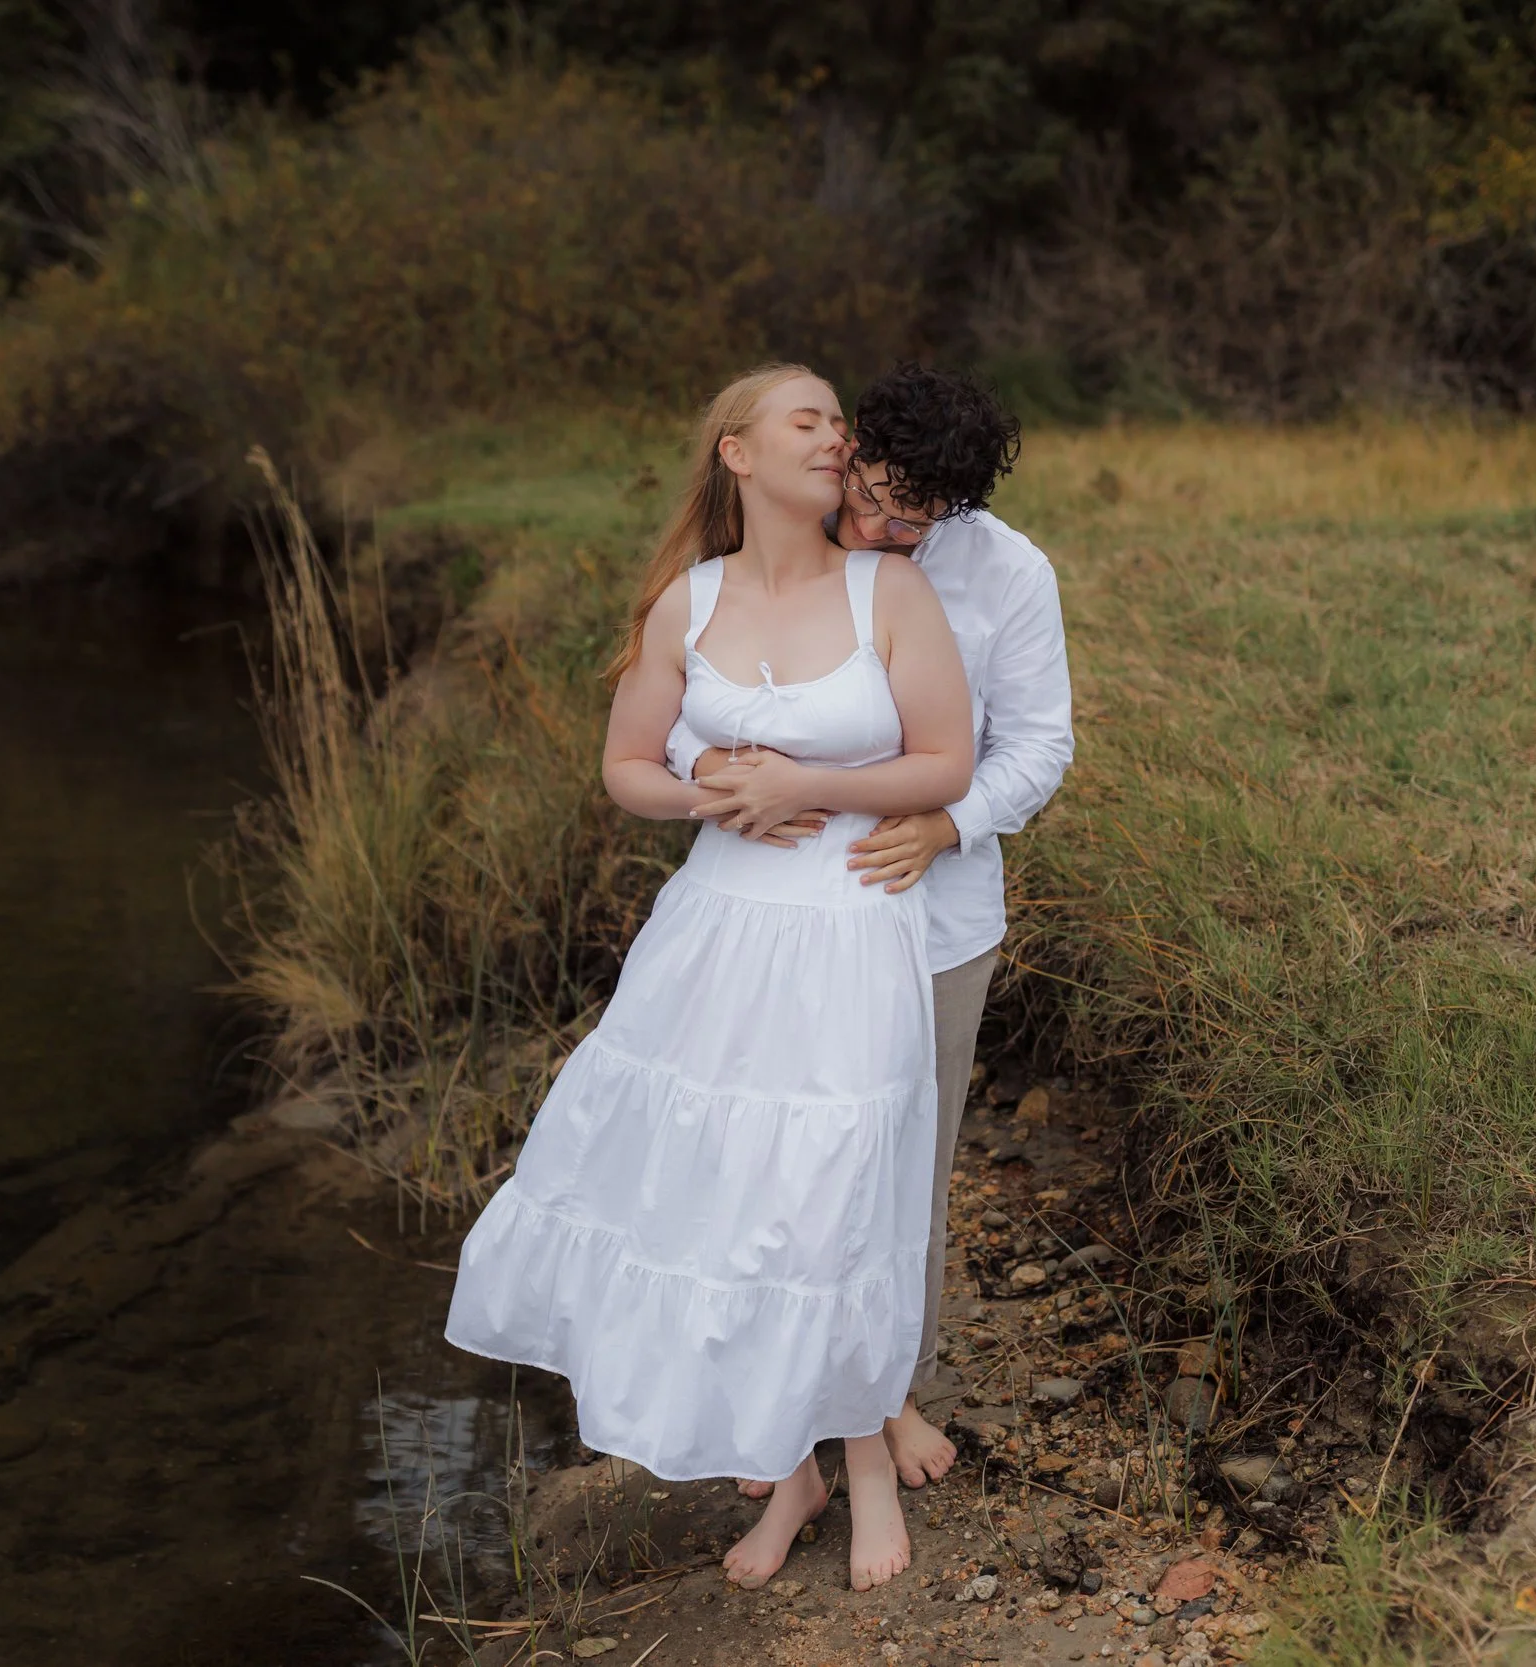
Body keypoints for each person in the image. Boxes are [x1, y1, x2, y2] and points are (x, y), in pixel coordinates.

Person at [445, 363, 973, 1592]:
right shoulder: (687, 600)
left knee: (836, 1196)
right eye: (808, 418)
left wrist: (805, 783)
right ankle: (787, 1470)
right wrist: (706, 794)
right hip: (718, 930)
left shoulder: (889, 590)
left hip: (849, 922)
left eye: (839, 421)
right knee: (735, 1194)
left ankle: (867, 1466)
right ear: (737, 452)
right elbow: (626, 765)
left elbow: (947, 760)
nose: (836, 437)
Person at [669, 363, 1074, 1494]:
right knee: (777, 1158)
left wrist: (948, 825)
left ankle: (891, 1389)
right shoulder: (784, 528)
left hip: (932, 917)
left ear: (959, 508)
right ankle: (780, 1397)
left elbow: (1040, 744)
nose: (879, 529)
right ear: (853, 452)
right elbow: (687, 691)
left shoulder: (1008, 572)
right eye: (872, 496)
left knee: (905, 1168)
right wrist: (705, 764)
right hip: (780, 914)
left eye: (914, 520)